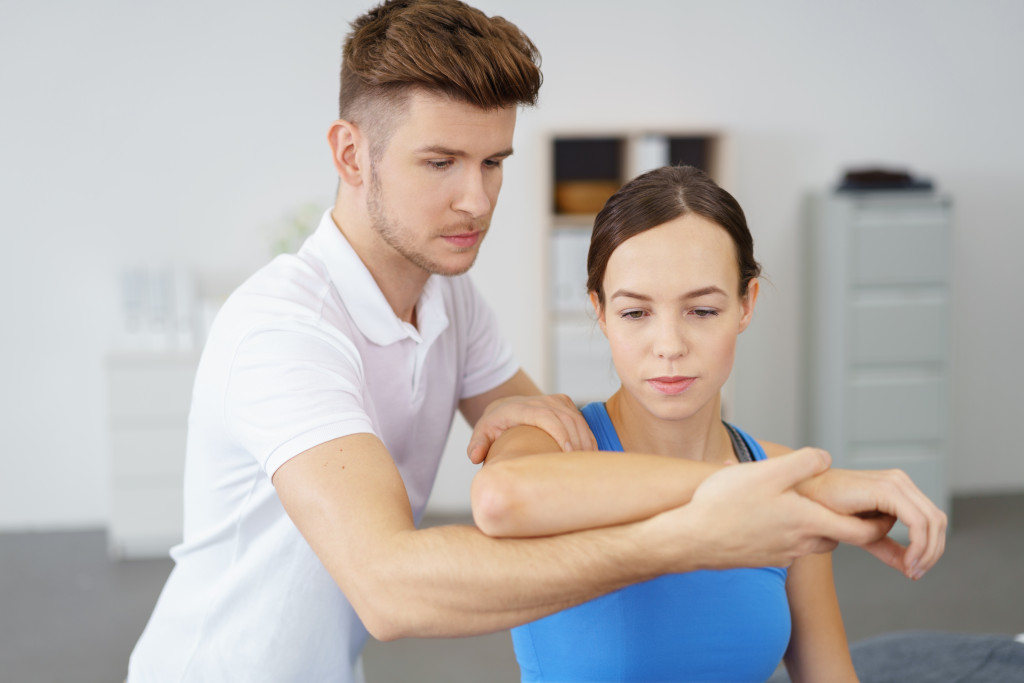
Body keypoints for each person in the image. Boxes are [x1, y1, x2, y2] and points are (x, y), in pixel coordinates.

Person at [127, 2, 945, 681]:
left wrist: (810, 483)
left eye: (494, 162)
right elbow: (394, 588)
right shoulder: (283, 329)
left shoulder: (451, 300)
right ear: (350, 152)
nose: (476, 201)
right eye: (441, 162)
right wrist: (698, 530)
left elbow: (563, 456)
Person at [471, 165, 941, 682]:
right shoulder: (548, 445)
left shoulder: (783, 475)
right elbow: (500, 499)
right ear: (599, 313)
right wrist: (790, 487)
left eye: (701, 310)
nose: (670, 345)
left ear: (746, 304)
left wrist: (786, 486)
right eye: (635, 314)